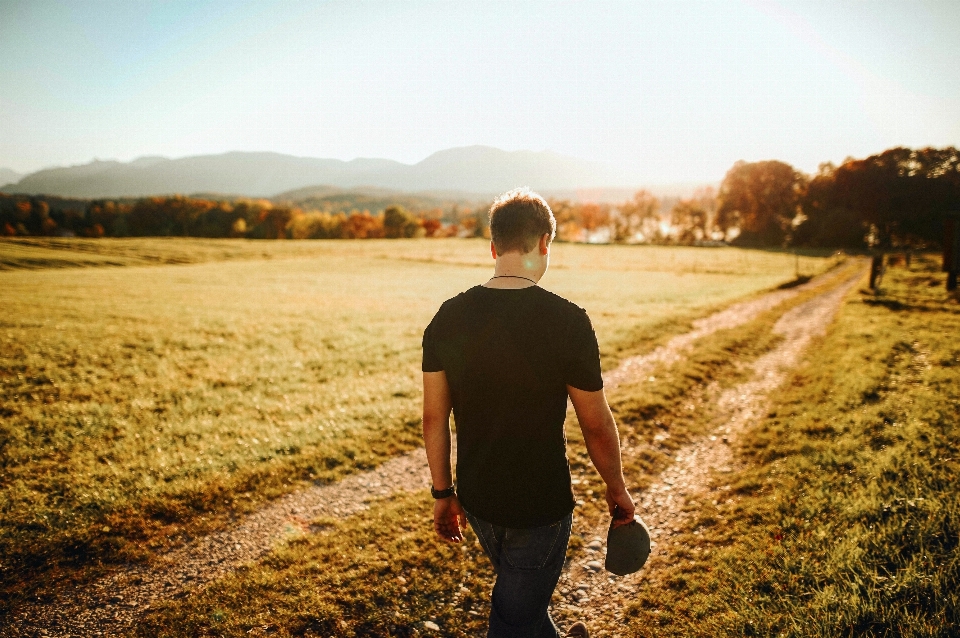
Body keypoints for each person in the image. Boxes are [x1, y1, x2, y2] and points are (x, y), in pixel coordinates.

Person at [421, 188, 636, 638]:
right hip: (541, 507)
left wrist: (444, 492)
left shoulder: (447, 317)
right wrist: (617, 489)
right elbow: (595, 424)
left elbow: (433, 419)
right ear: (544, 244)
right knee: (514, 621)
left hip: (478, 500)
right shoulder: (569, 321)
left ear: (494, 247)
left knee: (522, 604)